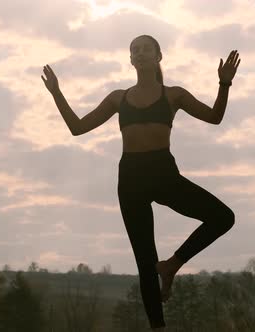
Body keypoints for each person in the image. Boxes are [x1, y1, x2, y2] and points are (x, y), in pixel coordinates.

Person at [41, 34, 240, 331]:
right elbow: (77, 127)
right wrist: (56, 93)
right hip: (131, 177)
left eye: (147, 48)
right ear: (130, 59)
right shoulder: (118, 98)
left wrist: (224, 84)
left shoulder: (174, 95)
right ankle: (158, 327)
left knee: (223, 217)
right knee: (145, 261)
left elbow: (214, 117)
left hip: (164, 173)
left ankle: (172, 264)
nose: (140, 53)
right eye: (135, 50)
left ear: (159, 56)